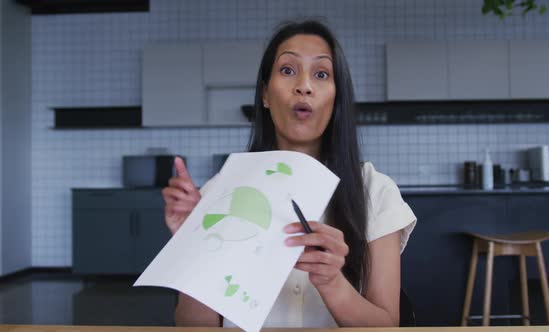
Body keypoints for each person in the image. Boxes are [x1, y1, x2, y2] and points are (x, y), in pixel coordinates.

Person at [161, 20, 417, 328]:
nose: (304, 86)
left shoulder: (375, 191)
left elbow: (387, 326)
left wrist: (332, 281)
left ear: (337, 99)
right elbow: (194, 327)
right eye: (287, 70)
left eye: (321, 74)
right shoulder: (220, 190)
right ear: (265, 95)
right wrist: (193, 249)